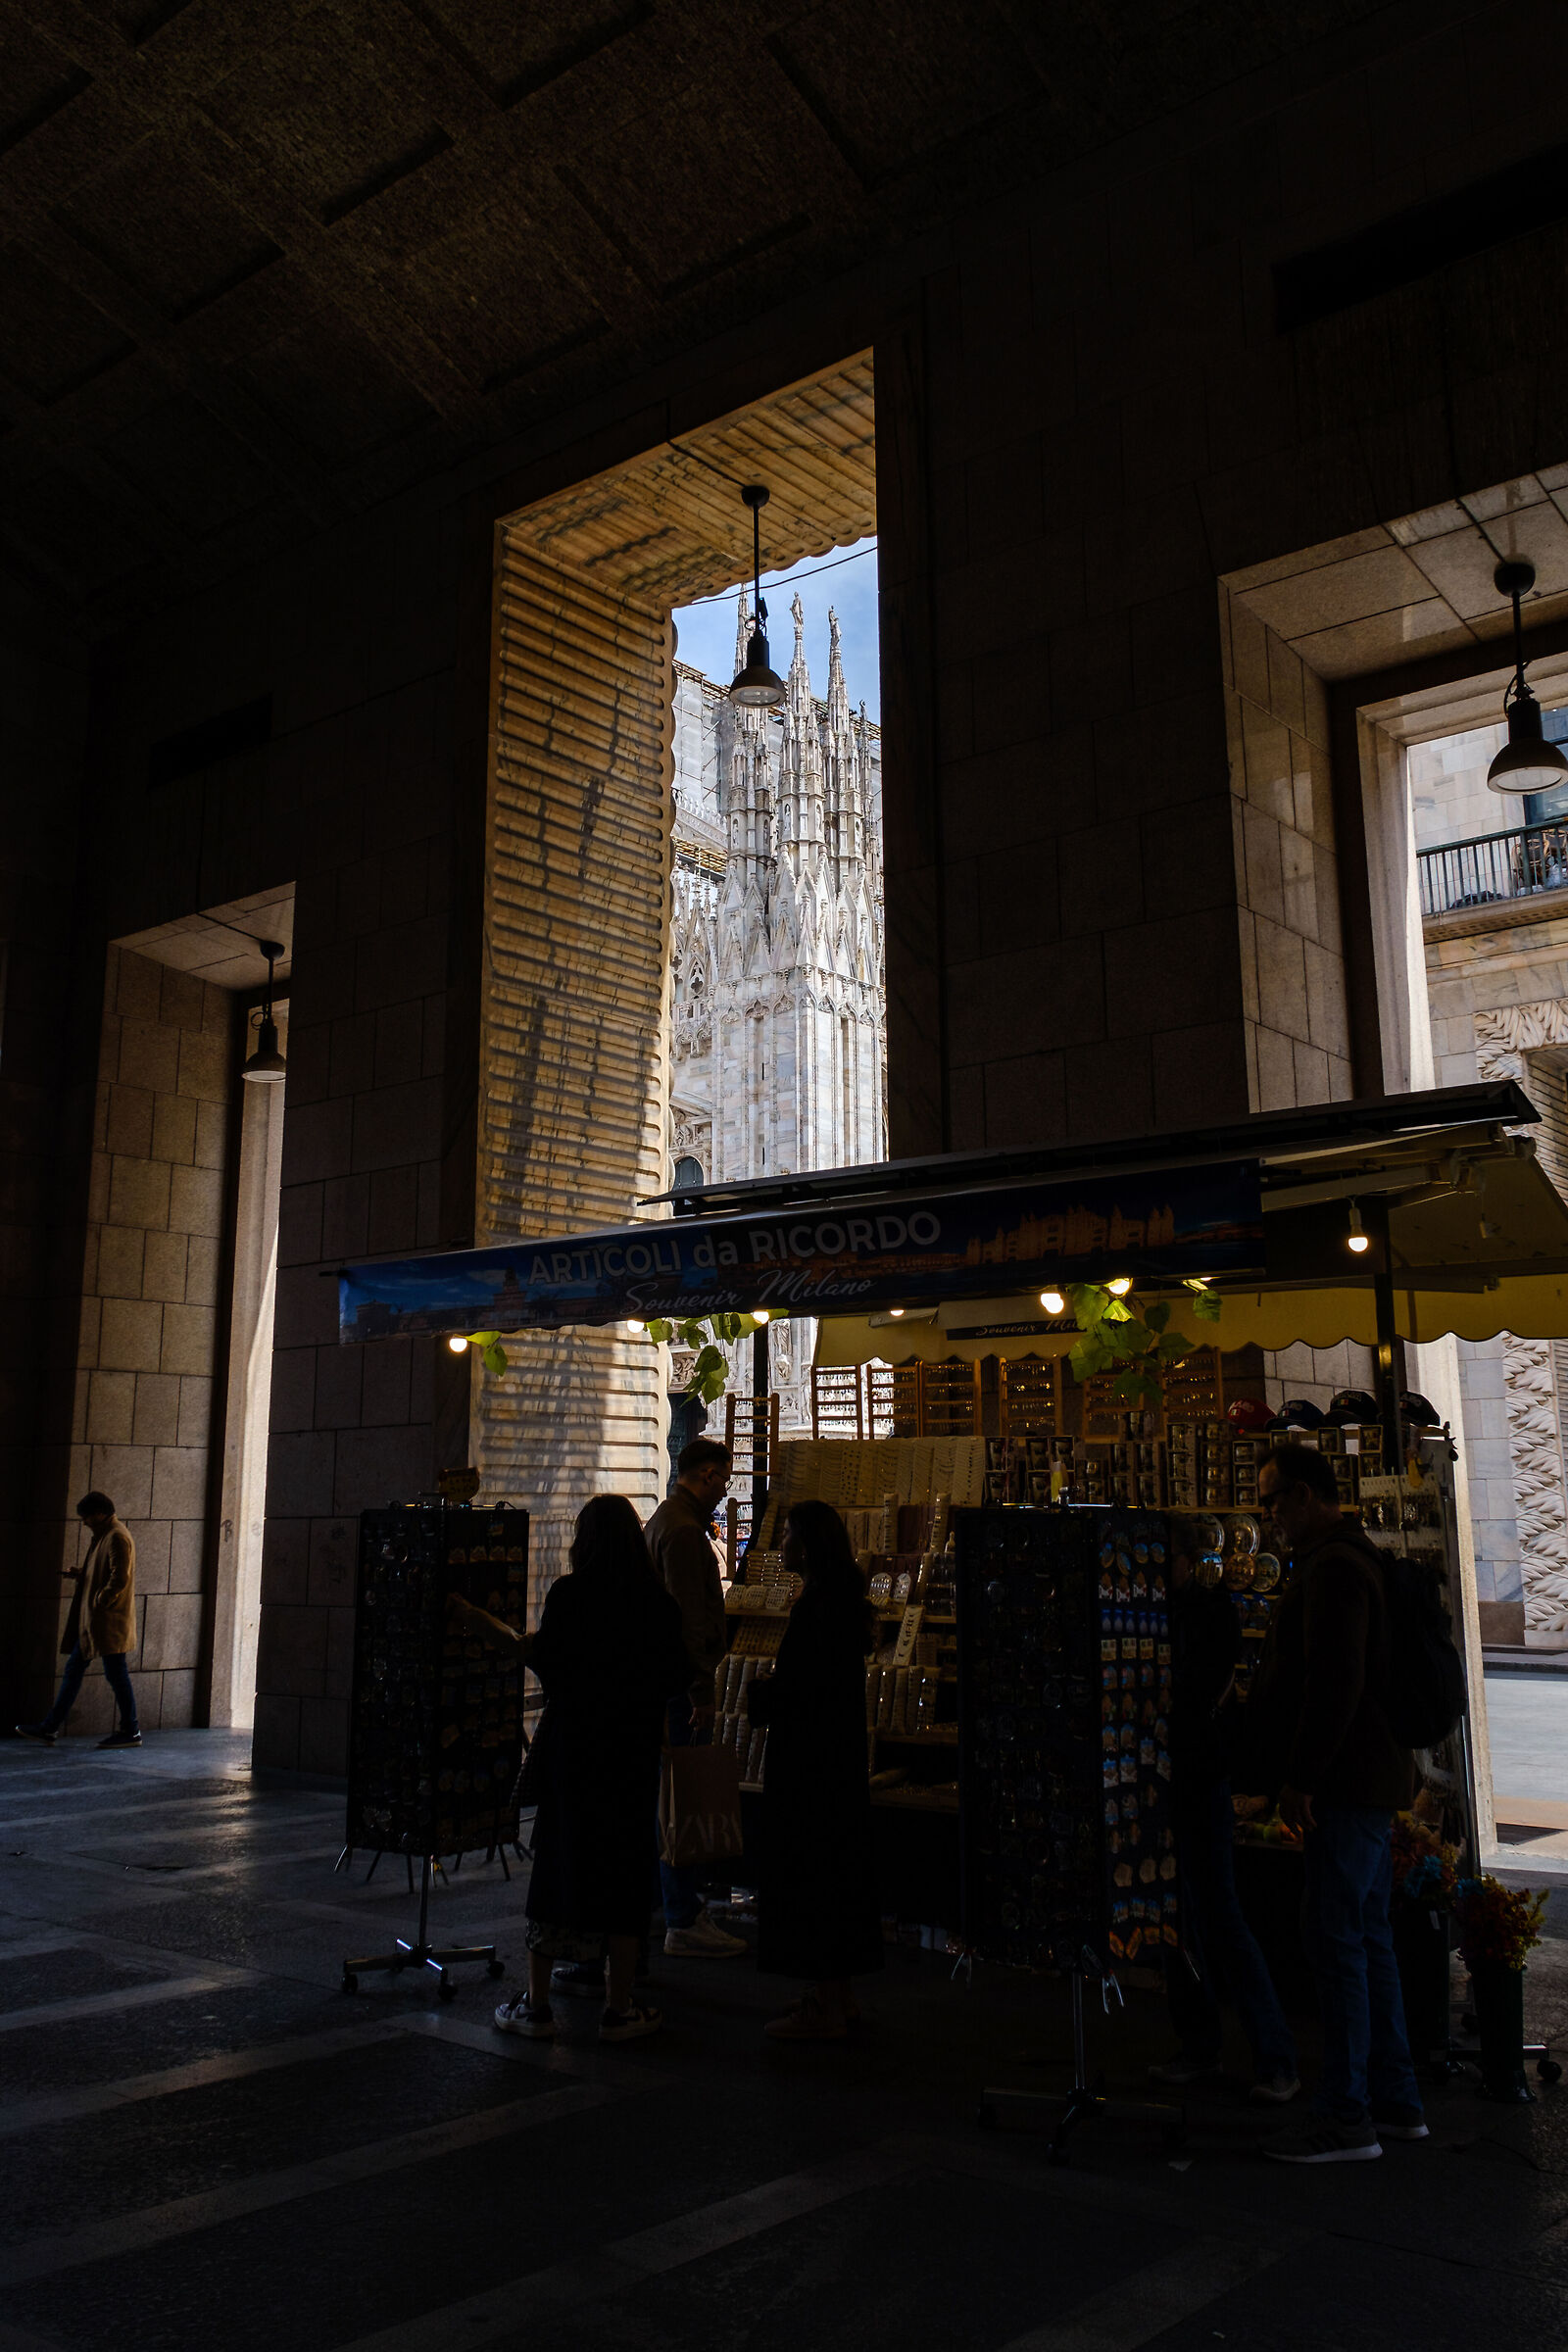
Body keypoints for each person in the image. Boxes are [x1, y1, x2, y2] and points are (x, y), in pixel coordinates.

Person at [1246, 1441, 1426, 2164]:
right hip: (1367, 1783)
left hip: (1347, 1786)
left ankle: (1349, 2114)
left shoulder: (1335, 1571)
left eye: (1274, 1501)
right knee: (1366, 1936)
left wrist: (1303, 1778)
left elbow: (1335, 1684)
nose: (1270, 1517)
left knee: (1338, 1940)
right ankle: (1397, 2100)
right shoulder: (1352, 1560)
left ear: (1307, 1496)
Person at [458, 1494, 690, 2043]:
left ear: (584, 1541)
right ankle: (618, 2005)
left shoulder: (570, 1596)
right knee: (627, 1870)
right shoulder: (658, 1604)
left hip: (574, 1752)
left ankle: (536, 2006)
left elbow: (546, 1660)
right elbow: (676, 1678)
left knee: (559, 1864)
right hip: (631, 1758)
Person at [1149, 1546, 1299, 2104]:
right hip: (1171, 1778)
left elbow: (1203, 1687)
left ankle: (1275, 2056)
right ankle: (1201, 2046)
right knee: (1181, 1918)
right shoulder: (1161, 1610)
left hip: (1198, 1777)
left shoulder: (1208, 1613)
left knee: (1219, 1915)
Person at [748, 1498, 882, 2039]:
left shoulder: (815, 1609)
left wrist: (763, 1692)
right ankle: (839, 1996)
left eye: (787, 1535)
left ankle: (825, 2006)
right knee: (839, 1875)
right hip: (840, 1764)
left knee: (815, 1878)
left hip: (809, 1768)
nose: (780, 1544)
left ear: (806, 1545)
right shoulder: (845, 1603)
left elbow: (801, 1688)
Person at [643, 1437, 747, 1957]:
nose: (725, 1490)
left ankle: (669, 1906)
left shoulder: (666, 1520)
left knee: (667, 1798)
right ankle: (682, 1916)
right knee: (680, 1801)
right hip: (680, 1687)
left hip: (666, 1683)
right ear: (706, 1475)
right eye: (724, 1480)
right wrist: (700, 1689)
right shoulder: (683, 1533)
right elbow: (687, 1618)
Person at [17, 1493, 140, 1748]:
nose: (84, 1522)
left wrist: (99, 1600)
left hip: (106, 1623)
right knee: (86, 1671)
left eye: (86, 1517)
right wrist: (83, 1574)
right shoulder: (106, 1534)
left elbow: (119, 1578)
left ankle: (131, 1730)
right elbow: (107, 1572)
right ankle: (50, 1727)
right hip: (96, 1624)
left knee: (114, 1673)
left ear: (98, 1513)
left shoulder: (116, 1536)